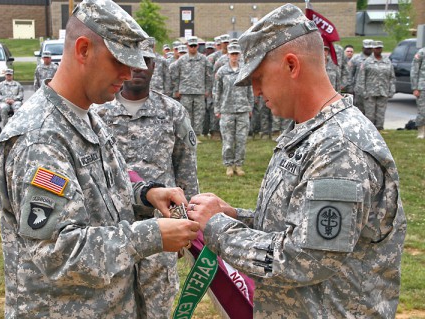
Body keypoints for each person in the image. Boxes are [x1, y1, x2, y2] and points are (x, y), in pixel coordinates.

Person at [187, 4, 406, 318]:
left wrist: (217, 227)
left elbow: (303, 259)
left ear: (291, 65)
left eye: (259, 78)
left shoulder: (340, 146)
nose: (257, 92)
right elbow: (298, 225)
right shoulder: (311, 132)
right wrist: (236, 216)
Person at [0, 0, 200, 317]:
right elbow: (58, 253)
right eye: (120, 61)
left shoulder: (86, 116)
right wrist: (152, 236)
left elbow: (97, 193)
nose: (130, 73)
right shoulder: (41, 138)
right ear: (83, 50)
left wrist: (146, 193)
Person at [92, 38, 199, 318]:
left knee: (158, 303)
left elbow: (185, 170)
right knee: (115, 301)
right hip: (113, 227)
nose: (140, 68)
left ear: (154, 66)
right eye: (133, 61)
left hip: (161, 224)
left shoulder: (172, 111)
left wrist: (185, 223)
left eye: (147, 61)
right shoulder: (98, 114)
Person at [213, 43, 253, 177]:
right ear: (228, 55)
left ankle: (239, 165)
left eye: (237, 54)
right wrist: (217, 108)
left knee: (241, 139)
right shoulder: (222, 71)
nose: (234, 56)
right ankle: (229, 165)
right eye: (232, 54)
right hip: (227, 110)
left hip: (243, 109)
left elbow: (250, 90)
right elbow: (217, 91)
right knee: (228, 140)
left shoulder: (245, 70)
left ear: (240, 55)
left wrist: (250, 107)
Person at [170, 36, 212, 143]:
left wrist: (207, 89)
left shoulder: (204, 59)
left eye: (194, 46)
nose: (193, 48)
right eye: (191, 46)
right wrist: (176, 89)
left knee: (199, 114)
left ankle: (196, 135)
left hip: (199, 91)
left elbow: (208, 76)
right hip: (185, 91)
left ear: (197, 46)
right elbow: (175, 75)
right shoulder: (181, 60)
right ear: (187, 46)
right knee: (186, 114)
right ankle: (187, 135)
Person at [356, 40, 396, 131]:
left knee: (381, 114)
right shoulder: (367, 62)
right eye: (376, 48)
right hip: (370, 92)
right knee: (370, 114)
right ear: (373, 49)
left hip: (383, 91)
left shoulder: (387, 61)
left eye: (380, 48)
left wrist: (391, 90)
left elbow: (392, 77)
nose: (378, 50)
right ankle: (370, 132)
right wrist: (363, 92)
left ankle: (380, 130)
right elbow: (361, 78)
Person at [348, 39, 374, 113]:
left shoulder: (375, 58)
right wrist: (350, 89)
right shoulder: (356, 59)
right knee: (360, 112)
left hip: (372, 91)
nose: (369, 50)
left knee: (371, 114)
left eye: (370, 48)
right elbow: (349, 74)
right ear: (363, 48)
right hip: (359, 91)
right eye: (367, 48)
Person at [410, 46, 425, 139]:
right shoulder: (421, 52)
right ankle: (421, 132)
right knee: (422, 111)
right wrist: (415, 87)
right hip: (422, 87)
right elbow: (414, 71)